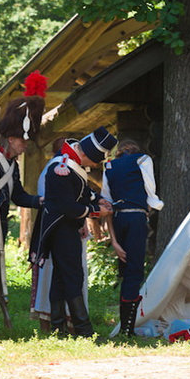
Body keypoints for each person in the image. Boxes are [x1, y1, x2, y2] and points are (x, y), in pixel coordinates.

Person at [34, 127, 117, 337]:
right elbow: (68, 207)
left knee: (61, 277)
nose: (94, 166)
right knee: (73, 275)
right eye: (94, 161)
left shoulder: (71, 163)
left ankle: (58, 328)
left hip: (66, 226)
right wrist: (97, 211)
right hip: (61, 228)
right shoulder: (61, 168)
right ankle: (83, 330)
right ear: (86, 155)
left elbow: (81, 190)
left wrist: (98, 199)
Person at [101, 139, 164, 337]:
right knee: (134, 272)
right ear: (135, 151)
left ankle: (126, 326)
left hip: (119, 220)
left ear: (120, 152)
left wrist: (114, 241)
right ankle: (127, 329)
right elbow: (150, 189)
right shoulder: (143, 159)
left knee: (127, 271)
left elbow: (108, 202)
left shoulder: (109, 166)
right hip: (136, 217)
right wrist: (153, 204)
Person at [0, 70, 46, 318]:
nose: (26, 147)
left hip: (1, 225)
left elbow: (18, 197)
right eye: (23, 142)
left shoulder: (11, 165)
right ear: (13, 138)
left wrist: (41, 201)